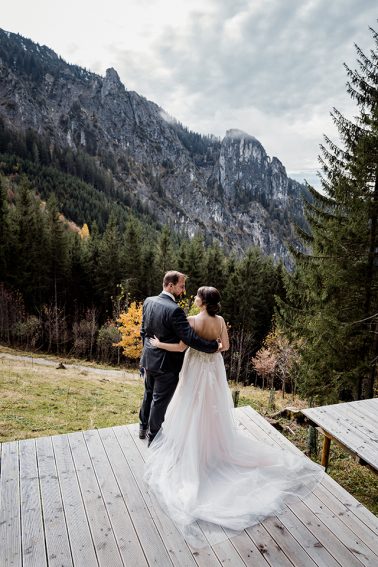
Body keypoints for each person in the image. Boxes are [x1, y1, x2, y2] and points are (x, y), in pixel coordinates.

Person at [144, 286, 324, 548]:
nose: (193, 298)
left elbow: (183, 346)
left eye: (196, 296)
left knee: (189, 404)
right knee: (212, 406)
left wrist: (159, 344)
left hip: (195, 367)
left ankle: (193, 447)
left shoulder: (192, 320)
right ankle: (214, 442)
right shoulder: (220, 321)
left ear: (203, 301)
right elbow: (224, 346)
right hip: (212, 368)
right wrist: (213, 347)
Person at [139, 271, 219, 446]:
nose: (183, 290)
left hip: (149, 360)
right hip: (166, 366)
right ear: (170, 285)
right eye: (181, 286)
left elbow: (143, 332)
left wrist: (144, 357)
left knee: (148, 395)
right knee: (159, 401)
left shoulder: (148, 301)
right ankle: (154, 436)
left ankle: (142, 427)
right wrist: (213, 346)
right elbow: (190, 338)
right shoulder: (175, 310)